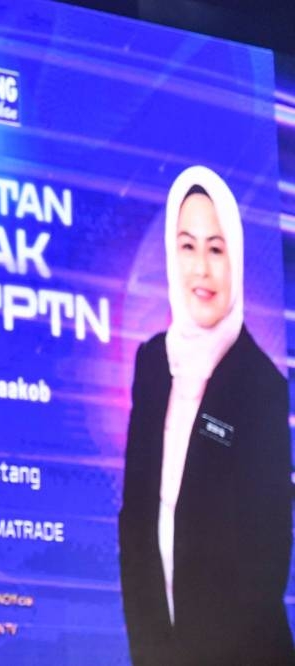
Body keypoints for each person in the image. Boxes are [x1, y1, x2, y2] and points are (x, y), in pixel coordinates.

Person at [119, 165, 295, 665]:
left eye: (216, 249)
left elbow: (268, 559)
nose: (201, 269)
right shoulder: (152, 364)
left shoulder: (261, 387)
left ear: (235, 258)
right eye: (187, 246)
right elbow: (135, 524)